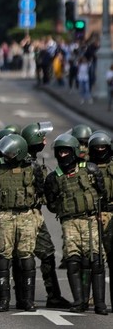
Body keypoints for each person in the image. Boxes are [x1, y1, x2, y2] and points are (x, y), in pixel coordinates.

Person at [44, 133, 108, 315]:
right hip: (69, 222)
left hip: (90, 220)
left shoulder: (90, 170)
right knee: (73, 260)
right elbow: (51, 203)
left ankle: (100, 304)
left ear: (73, 152)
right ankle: (79, 301)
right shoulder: (53, 177)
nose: (63, 156)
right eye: (60, 152)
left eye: (66, 152)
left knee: (96, 260)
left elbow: (101, 192)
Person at [0, 133, 45, 312]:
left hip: (26, 215)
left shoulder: (33, 168)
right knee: (3, 256)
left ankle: (27, 300)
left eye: (10, 153)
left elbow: (40, 191)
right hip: (4, 215)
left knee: (26, 256)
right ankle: (4, 300)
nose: (6, 155)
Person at [21, 122, 71, 309]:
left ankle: (52, 295)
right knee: (22, 256)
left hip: (35, 215)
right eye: (41, 138)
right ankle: (23, 296)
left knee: (47, 253)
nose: (45, 141)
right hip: (25, 216)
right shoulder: (25, 162)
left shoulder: (33, 160)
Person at [87, 130, 113, 308]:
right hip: (93, 215)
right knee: (93, 260)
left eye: (103, 147)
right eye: (96, 148)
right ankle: (96, 299)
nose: (100, 150)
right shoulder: (86, 167)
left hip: (111, 214)